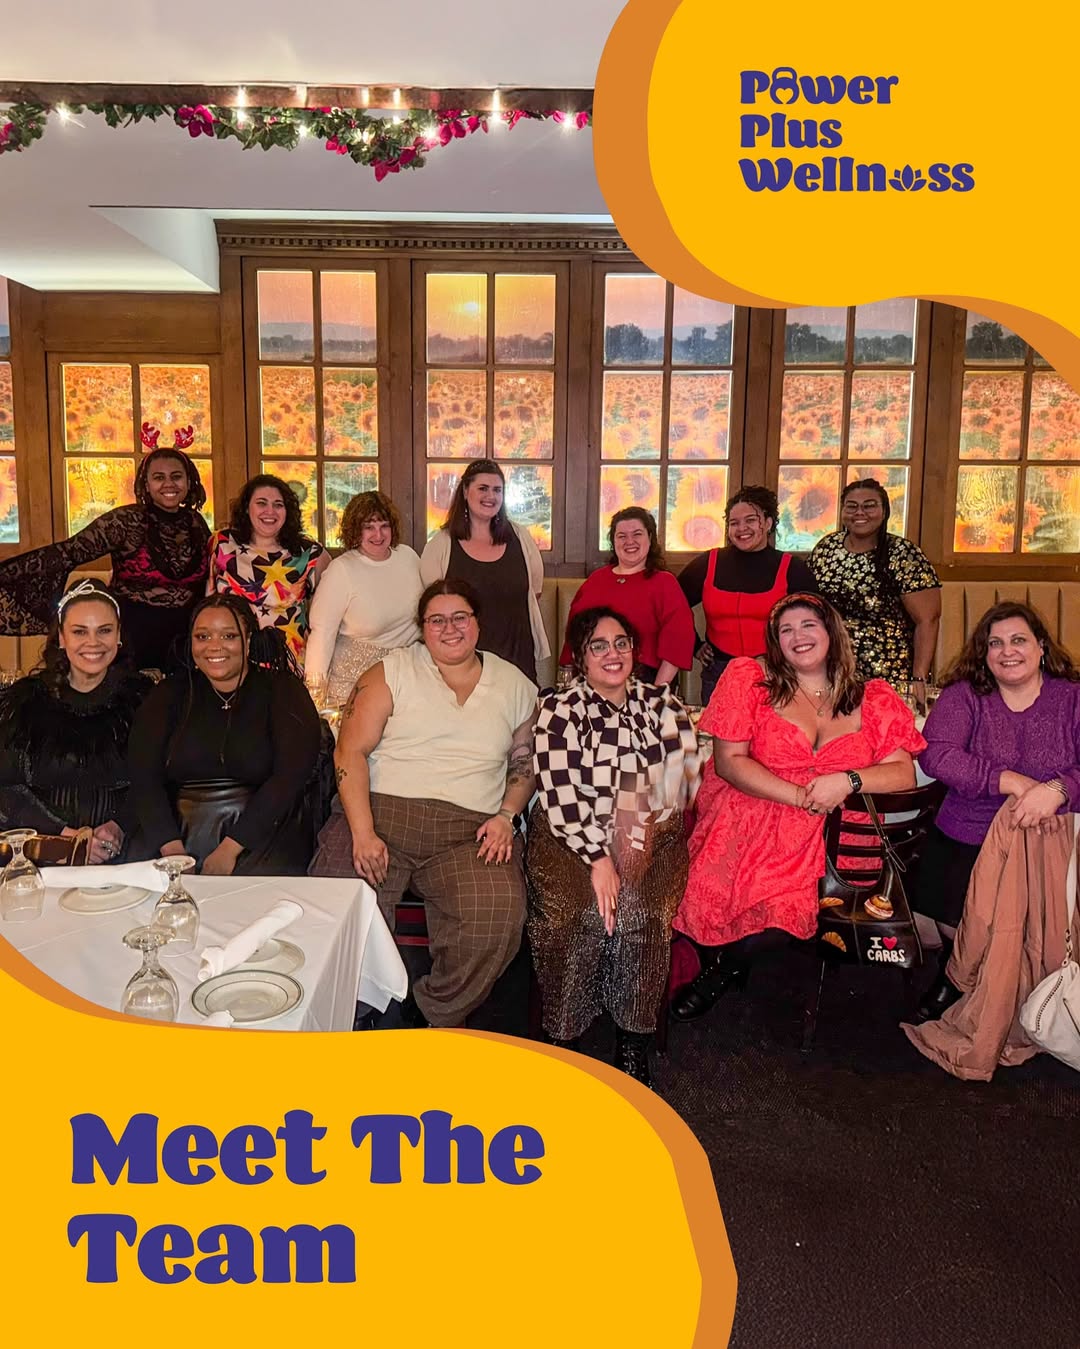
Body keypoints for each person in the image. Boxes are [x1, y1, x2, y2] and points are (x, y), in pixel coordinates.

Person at [671, 593, 925, 1020]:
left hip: (839, 836)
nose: (798, 636)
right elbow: (730, 763)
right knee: (733, 891)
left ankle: (726, 967)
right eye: (785, 630)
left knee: (791, 908)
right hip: (759, 816)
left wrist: (847, 780)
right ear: (776, 643)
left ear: (831, 632)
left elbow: (903, 774)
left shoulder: (874, 697)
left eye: (809, 625)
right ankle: (724, 962)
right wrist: (799, 798)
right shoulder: (750, 681)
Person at [310, 579, 538, 1028]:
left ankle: (431, 1010)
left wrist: (506, 816)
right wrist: (362, 832)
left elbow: (524, 762)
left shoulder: (513, 683)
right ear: (422, 628)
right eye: (437, 620)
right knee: (335, 900)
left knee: (497, 913)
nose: (449, 628)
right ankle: (355, 1014)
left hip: (470, 831)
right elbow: (349, 751)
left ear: (477, 623)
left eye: (460, 617)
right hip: (380, 815)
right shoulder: (388, 671)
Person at [530, 606, 699, 1086]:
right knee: (574, 913)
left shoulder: (663, 705)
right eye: (598, 645)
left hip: (652, 836)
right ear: (580, 657)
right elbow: (561, 795)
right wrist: (599, 857)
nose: (613, 653)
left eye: (621, 643)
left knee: (641, 914)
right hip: (569, 835)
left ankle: (632, 1039)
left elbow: (681, 782)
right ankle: (564, 1037)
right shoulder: (560, 709)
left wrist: (631, 839)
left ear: (634, 651)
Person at [906, 601, 1080, 1023]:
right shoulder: (965, 695)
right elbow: (936, 754)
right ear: (983, 654)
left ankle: (1027, 987)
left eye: (1018, 640)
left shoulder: (1072, 697)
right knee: (952, 922)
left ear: (1041, 646)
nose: (1007, 651)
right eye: (995, 643)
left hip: (1050, 836)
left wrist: (1058, 789)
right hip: (970, 830)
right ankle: (959, 973)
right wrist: (1009, 781)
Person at [128, 593, 323, 875]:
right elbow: (144, 776)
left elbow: (290, 776)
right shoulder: (169, 694)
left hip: (264, 832)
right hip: (174, 836)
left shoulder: (283, 690)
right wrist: (172, 852)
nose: (214, 646)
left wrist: (230, 849)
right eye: (203, 636)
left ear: (248, 641)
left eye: (228, 636)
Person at [0, 443, 210, 672]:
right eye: (159, 477)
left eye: (176, 476)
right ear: (146, 485)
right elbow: (67, 553)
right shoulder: (125, 521)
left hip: (184, 644)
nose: (169, 484)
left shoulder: (197, 523)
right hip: (132, 642)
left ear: (189, 481)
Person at [0, 580, 151, 863]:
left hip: (127, 854)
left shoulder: (144, 699)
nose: (93, 642)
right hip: (44, 858)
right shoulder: (25, 702)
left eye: (104, 630)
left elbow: (156, 779)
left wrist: (119, 826)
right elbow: (5, 788)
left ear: (118, 635)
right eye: (79, 631)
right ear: (61, 637)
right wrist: (67, 839)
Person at [678, 486, 818, 705]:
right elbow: (673, 606)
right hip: (719, 673)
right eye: (734, 523)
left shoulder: (792, 568)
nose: (742, 528)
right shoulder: (708, 563)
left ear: (768, 523)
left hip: (776, 672)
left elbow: (818, 622)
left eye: (751, 520)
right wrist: (694, 645)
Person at [420, 458, 549, 684]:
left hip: (518, 661)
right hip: (464, 666)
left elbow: (534, 593)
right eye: (483, 488)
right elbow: (433, 611)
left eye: (497, 490)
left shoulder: (521, 538)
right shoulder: (440, 545)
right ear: (465, 491)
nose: (491, 496)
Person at [809, 478, 940, 688]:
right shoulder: (827, 548)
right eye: (851, 506)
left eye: (869, 506)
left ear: (884, 511)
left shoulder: (903, 553)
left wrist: (918, 679)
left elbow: (928, 620)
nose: (859, 512)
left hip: (889, 672)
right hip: (832, 667)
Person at [304, 490, 423, 706]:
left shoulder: (409, 557)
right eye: (369, 527)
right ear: (355, 530)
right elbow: (322, 634)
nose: (378, 535)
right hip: (353, 687)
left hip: (407, 679)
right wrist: (314, 697)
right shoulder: (341, 570)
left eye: (384, 526)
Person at [558, 508, 694, 687]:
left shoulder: (664, 583)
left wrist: (657, 692)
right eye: (621, 536)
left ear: (650, 538)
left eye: (637, 534)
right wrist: (568, 683)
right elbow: (573, 634)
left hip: (644, 682)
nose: (629, 541)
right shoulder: (596, 579)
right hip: (591, 681)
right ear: (613, 541)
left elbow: (678, 640)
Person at [208, 474, 328, 668]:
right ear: (246, 508)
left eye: (278, 505)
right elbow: (205, 600)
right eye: (261, 503)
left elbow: (326, 620)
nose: (270, 511)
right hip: (231, 657)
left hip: (289, 661)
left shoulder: (310, 553)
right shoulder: (221, 544)